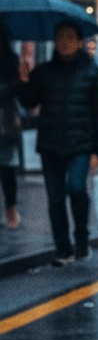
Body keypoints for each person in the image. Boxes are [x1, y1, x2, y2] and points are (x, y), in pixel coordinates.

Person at [17, 20, 98, 265]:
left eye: (70, 38)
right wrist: (24, 80)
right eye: (60, 37)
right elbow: (29, 103)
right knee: (55, 198)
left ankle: (81, 237)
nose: (65, 42)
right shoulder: (44, 72)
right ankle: (63, 248)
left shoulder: (92, 73)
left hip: (81, 144)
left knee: (77, 188)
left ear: (80, 42)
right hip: (50, 143)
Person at [0, 22, 22, 229]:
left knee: (6, 168)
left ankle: (10, 207)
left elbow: (14, 88)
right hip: (6, 120)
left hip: (4, 121)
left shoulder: (11, 60)